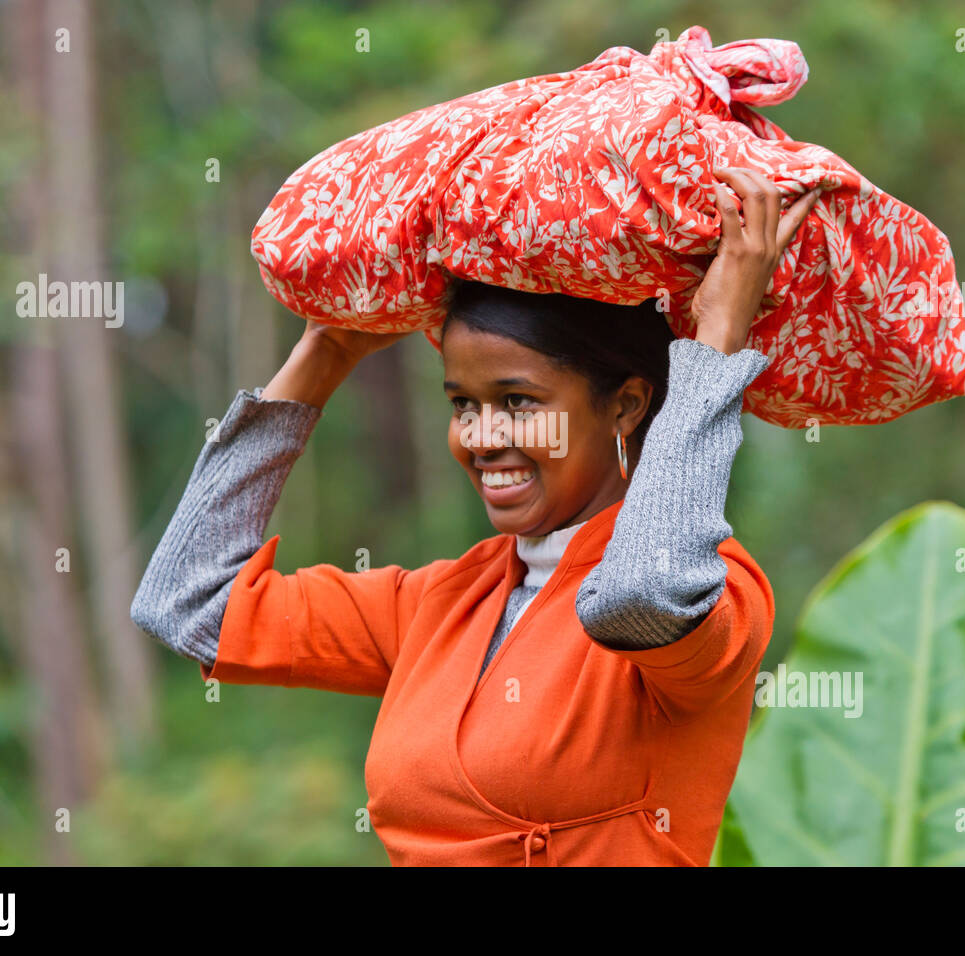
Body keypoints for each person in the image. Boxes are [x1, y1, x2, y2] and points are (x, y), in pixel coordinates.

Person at [131, 167, 822, 865]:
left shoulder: (713, 595)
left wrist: (714, 347)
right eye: (463, 404)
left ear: (627, 405)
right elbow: (188, 604)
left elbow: (637, 596)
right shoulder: (438, 603)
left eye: (518, 402)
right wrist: (323, 356)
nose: (481, 437)